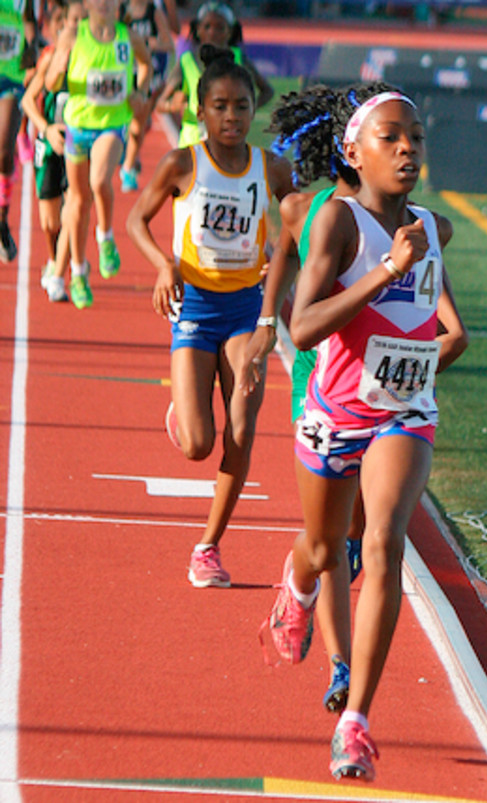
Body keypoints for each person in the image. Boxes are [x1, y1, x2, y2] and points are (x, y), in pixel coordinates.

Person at [258, 85, 467, 782]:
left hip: (403, 413)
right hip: (333, 413)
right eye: (390, 137)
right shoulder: (338, 224)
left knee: (380, 542)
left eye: (415, 137)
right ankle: (297, 579)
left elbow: (447, 330)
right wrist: (387, 271)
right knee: (321, 547)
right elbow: (305, 325)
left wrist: (425, 359)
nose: (407, 148)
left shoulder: (435, 228)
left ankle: (356, 723)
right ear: (353, 151)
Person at [126, 45, 295, 588]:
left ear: (253, 111)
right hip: (196, 305)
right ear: (201, 113)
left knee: (241, 431)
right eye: (220, 106)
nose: (231, 116)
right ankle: (183, 412)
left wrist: (277, 268)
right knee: (199, 445)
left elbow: (295, 230)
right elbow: (136, 220)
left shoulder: (272, 168)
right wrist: (162, 264)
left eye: (241, 106)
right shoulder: (183, 164)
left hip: (247, 309)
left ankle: (208, 547)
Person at [44, 0, 152, 308]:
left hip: (112, 124)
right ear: (86, 3)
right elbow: (51, 83)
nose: (103, 3)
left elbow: (146, 65)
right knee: (77, 203)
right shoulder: (72, 36)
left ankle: (105, 236)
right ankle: (77, 272)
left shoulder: (127, 37)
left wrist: (138, 91)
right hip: (78, 126)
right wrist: (61, 65)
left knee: (99, 180)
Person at [157, 2, 272, 150]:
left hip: (227, 142)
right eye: (207, 27)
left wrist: (246, 109)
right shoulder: (187, 61)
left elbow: (267, 91)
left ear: (230, 32)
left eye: (219, 27)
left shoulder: (238, 59)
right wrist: (172, 105)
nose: (212, 32)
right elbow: (160, 103)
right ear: (198, 29)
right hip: (192, 144)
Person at [24, 0, 78, 302]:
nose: (73, 28)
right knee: (50, 222)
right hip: (49, 145)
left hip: (78, 146)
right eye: (69, 22)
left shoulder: (94, 62)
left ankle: (59, 272)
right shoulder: (49, 58)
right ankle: (53, 257)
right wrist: (46, 129)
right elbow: (29, 101)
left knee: (74, 208)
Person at [119, 0, 175, 191]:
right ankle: (129, 159)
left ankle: (129, 165)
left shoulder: (153, 12)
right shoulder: (120, 8)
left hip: (145, 73)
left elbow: (169, 44)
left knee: (140, 123)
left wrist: (152, 43)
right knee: (130, 124)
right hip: (122, 73)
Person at [0, 0, 38, 263]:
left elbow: (28, 18)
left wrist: (32, 43)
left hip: (11, 74)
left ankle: (2, 220)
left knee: (3, 148)